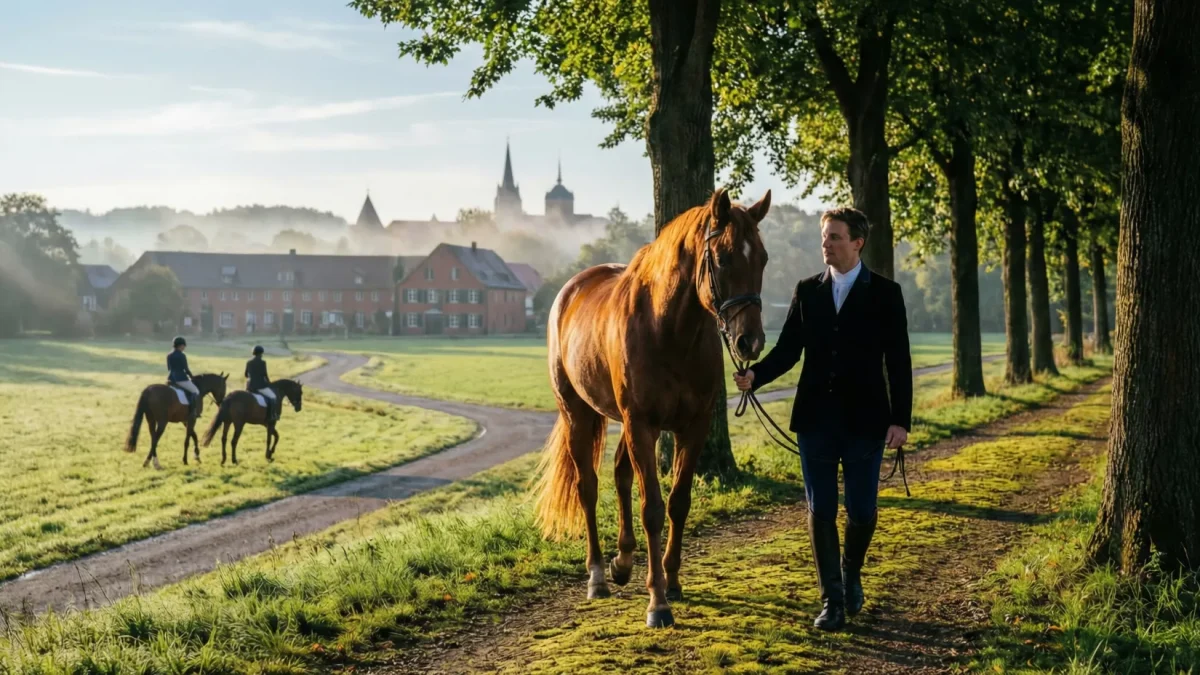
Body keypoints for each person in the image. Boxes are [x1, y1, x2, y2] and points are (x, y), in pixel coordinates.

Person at [734, 207, 912, 631]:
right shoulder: (807, 290)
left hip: (867, 420)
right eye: (824, 237)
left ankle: (851, 573)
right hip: (815, 420)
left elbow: (899, 361)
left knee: (862, 510)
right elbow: (789, 349)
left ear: (857, 242)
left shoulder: (886, 293)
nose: (825, 244)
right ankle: (832, 599)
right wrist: (756, 375)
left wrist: (900, 419)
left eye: (834, 237)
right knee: (820, 510)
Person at [167, 336, 200, 420]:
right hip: (181, 379)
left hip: (171, 379)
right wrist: (192, 377)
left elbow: (169, 368)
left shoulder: (169, 355)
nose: (184, 347)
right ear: (180, 345)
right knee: (195, 391)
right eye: (183, 346)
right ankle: (193, 411)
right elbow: (186, 369)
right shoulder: (182, 355)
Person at [245, 345, 279, 423]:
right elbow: (265, 375)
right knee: (273, 397)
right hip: (260, 386)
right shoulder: (263, 362)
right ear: (261, 353)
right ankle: (272, 415)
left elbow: (246, 375)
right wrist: (269, 383)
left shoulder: (249, 362)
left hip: (250, 387)